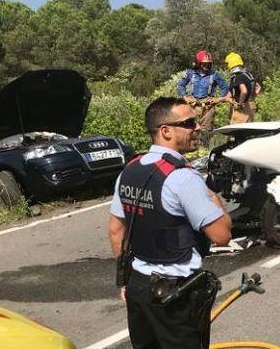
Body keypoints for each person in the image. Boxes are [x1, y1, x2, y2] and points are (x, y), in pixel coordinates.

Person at [108, 96, 232, 349]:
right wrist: (214, 201)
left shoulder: (129, 170)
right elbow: (221, 235)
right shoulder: (184, 178)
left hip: (138, 286)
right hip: (176, 293)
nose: (197, 128)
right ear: (165, 131)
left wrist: (124, 281)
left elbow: (116, 231)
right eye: (188, 123)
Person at [177, 50, 229, 143]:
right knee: (191, 128)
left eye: (208, 64)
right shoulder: (191, 73)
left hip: (208, 106)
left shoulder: (215, 75)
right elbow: (181, 84)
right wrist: (185, 96)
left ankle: (204, 150)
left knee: (206, 131)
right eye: (204, 63)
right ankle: (191, 152)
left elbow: (224, 87)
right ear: (198, 63)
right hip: (193, 105)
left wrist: (218, 99)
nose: (206, 65)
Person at [224, 52, 259, 124]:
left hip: (241, 109)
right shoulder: (248, 75)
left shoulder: (238, 77)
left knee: (237, 132)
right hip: (250, 107)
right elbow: (258, 87)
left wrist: (239, 104)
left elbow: (244, 91)